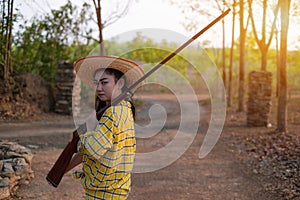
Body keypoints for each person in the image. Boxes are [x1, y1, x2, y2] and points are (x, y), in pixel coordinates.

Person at [65, 56, 144, 200]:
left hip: (103, 193)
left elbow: (93, 149)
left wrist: (81, 137)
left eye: (104, 82)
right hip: (117, 189)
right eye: (96, 83)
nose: (99, 88)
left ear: (120, 83)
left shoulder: (112, 113)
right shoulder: (125, 108)